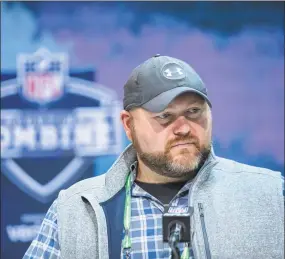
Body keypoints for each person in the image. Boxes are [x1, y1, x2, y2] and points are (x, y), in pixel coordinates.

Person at [23, 55, 284, 259]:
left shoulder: (270, 193)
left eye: (194, 111)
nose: (183, 128)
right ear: (128, 125)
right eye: (165, 116)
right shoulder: (75, 209)